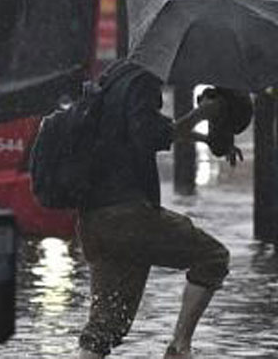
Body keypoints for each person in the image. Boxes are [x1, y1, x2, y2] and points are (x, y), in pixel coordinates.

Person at [77, 58, 234, 359]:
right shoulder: (143, 81)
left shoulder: (113, 78)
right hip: (129, 216)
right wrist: (203, 113)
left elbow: (150, 129)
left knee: (104, 327)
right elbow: (148, 136)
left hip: (95, 218)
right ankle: (180, 346)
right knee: (213, 257)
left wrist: (205, 136)